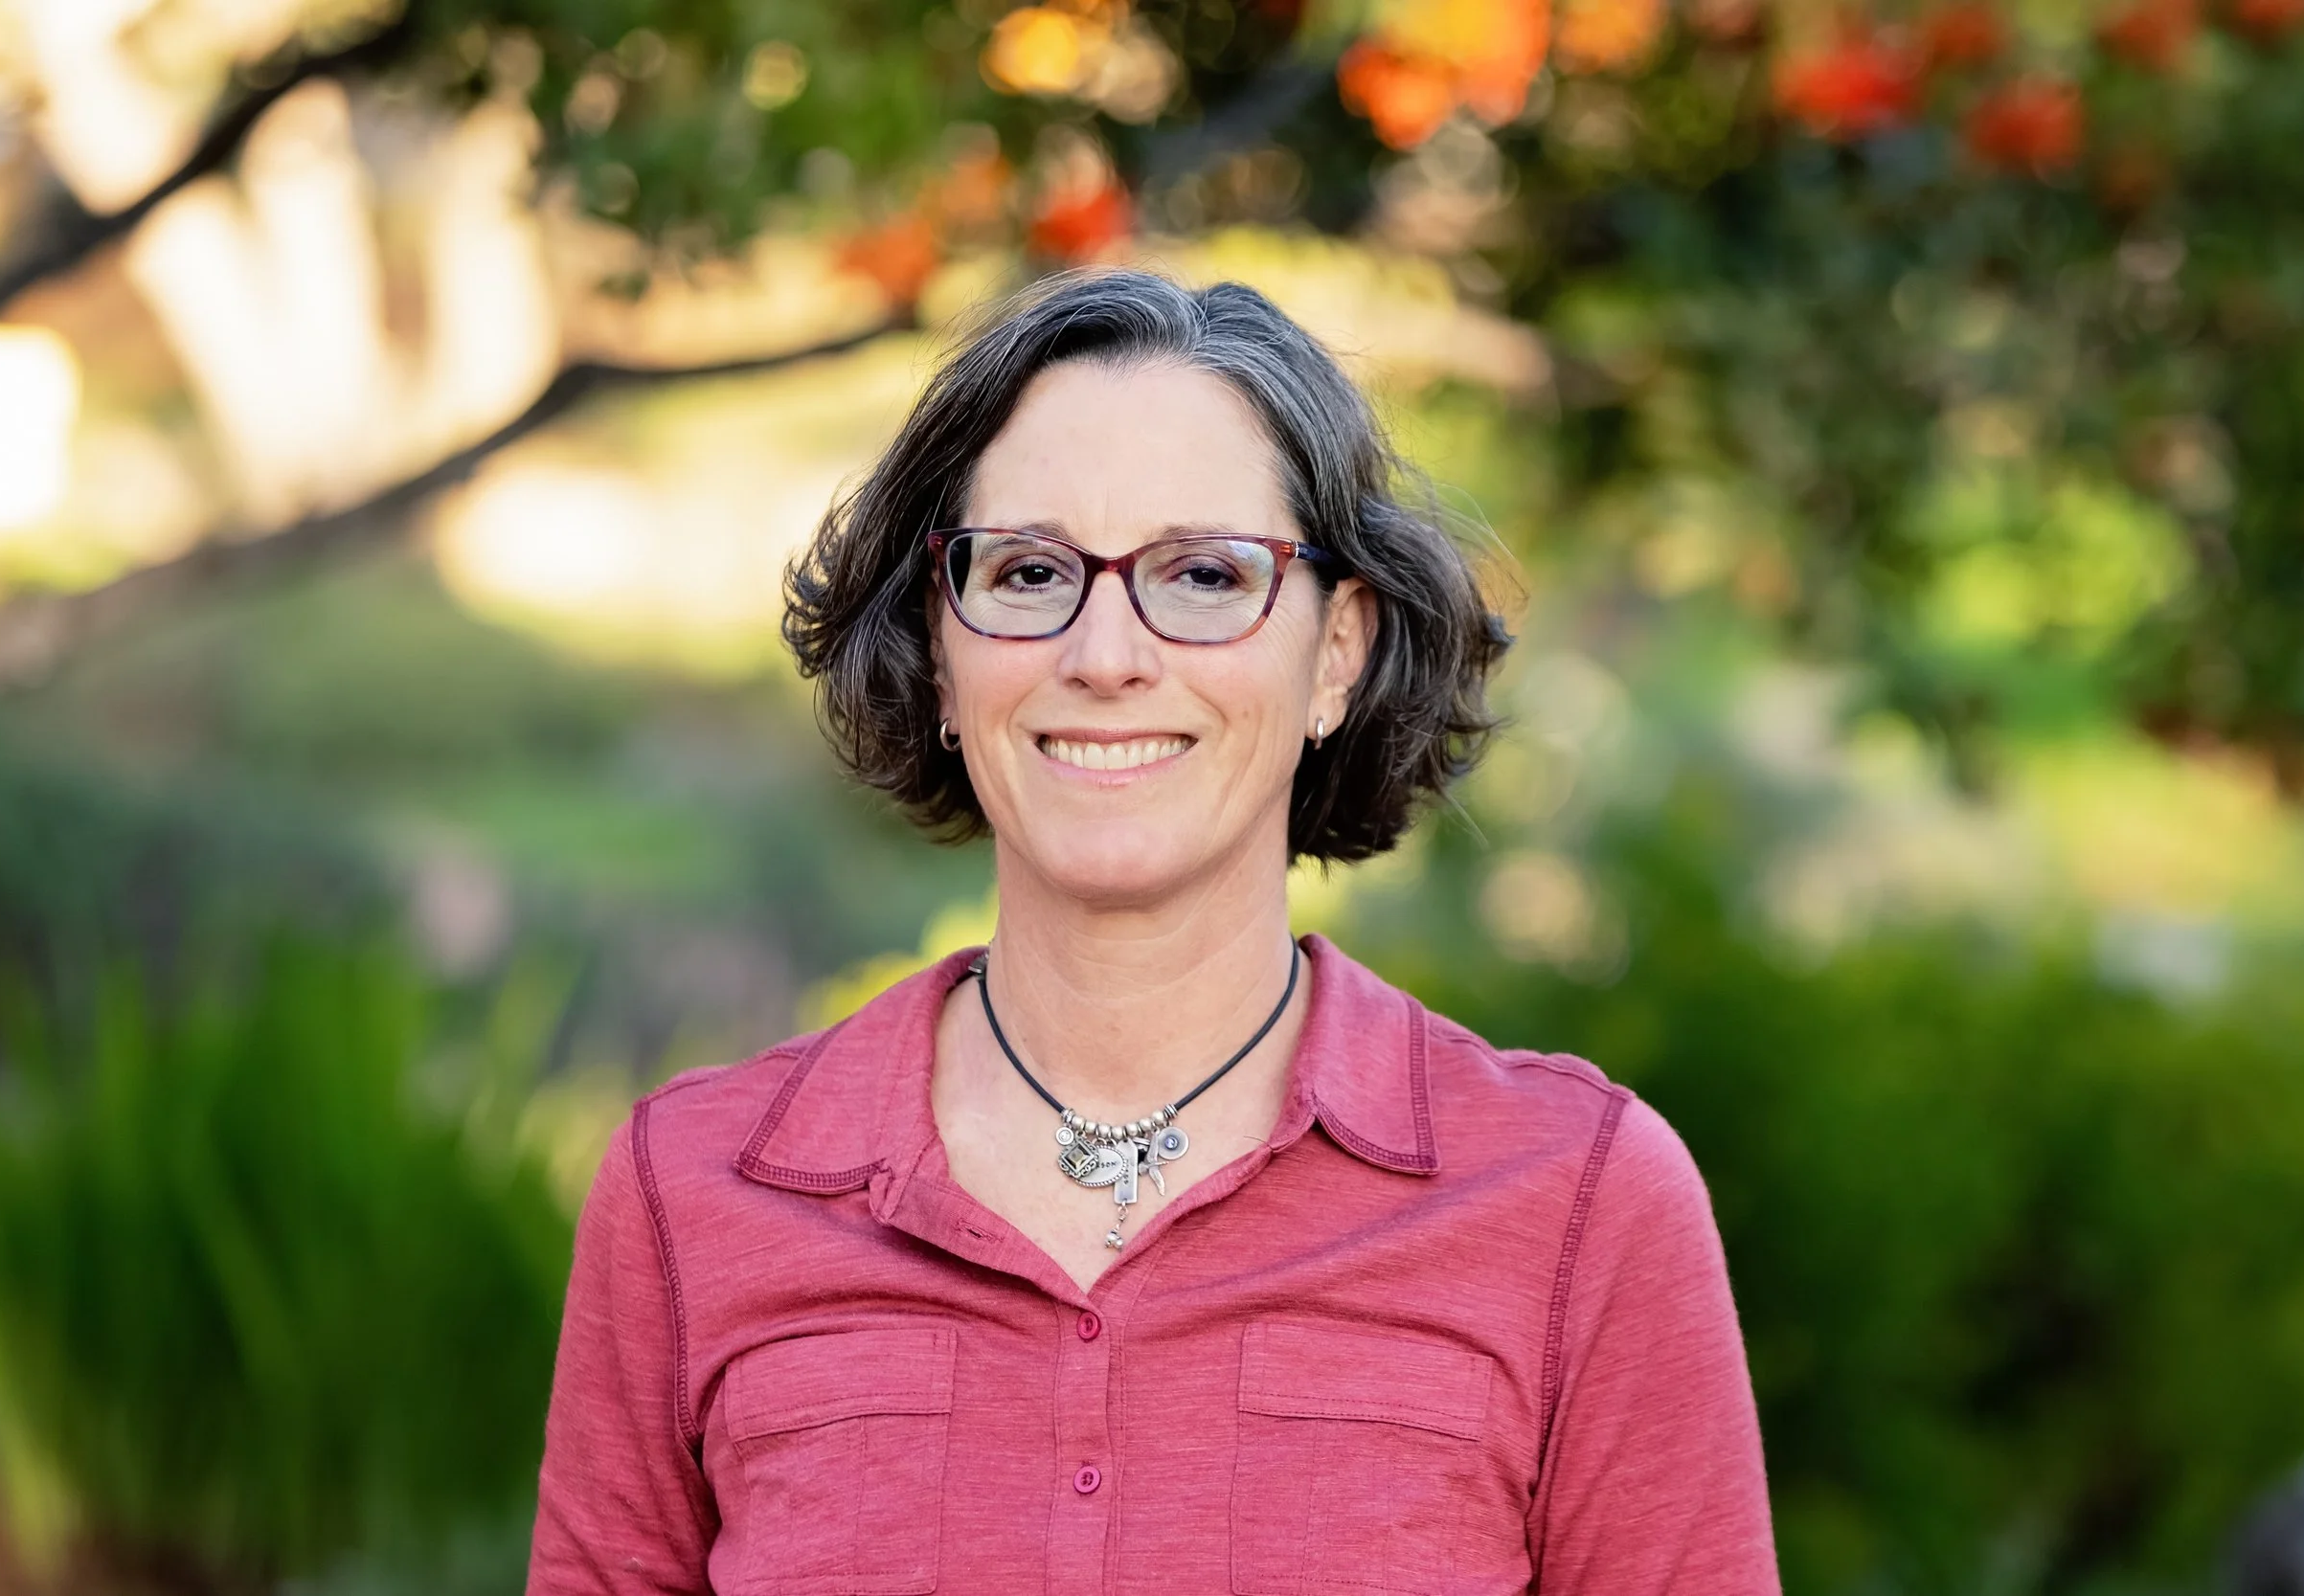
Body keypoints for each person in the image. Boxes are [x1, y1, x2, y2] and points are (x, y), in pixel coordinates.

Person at [525, 270, 1779, 1595]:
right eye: (1027, 571)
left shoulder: (1577, 1199)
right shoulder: (692, 1191)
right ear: (944, 653)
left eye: (1202, 573)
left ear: (1338, 653)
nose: (1107, 651)